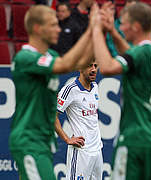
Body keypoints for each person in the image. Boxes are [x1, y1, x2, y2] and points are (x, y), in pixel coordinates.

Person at [9, 5, 93, 180]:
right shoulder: (25, 58)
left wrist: (100, 32)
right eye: (53, 25)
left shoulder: (52, 54)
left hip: (42, 141)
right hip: (30, 141)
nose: (58, 29)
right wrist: (91, 30)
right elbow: (64, 65)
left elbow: (78, 62)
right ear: (38, 28)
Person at [91, 2, 151, 179]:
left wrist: (96, 30)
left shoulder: (140, 53)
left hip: (136, 137)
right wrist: (112, 32)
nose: (121, 27)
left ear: (136, 27)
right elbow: (133, 57)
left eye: (124, 23)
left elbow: (106, 68)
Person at [55, 59, 103, 180]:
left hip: (97, 150)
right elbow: (51, 115)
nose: (93, 70)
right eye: (89, 66)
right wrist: (66, 139)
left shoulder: (95, 87)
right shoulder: (70, 90)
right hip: (81, 151)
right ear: (80, 68)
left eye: (95, 66)